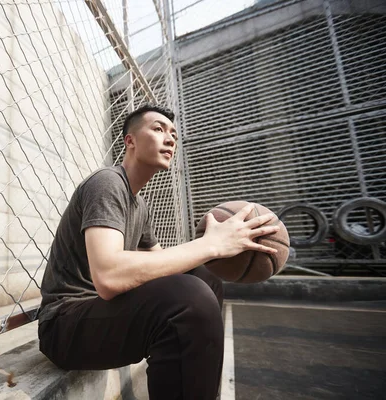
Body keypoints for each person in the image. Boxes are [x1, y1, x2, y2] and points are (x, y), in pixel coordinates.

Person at [37, 104, 279, 400]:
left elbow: (166, 266)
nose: (170, 139)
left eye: (174, 134)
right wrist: (208, 244)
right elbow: (109, 275)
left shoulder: (141, 205)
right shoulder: (107, 183)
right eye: (158, 129)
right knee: (188, 299)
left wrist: (216, 253)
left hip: (98, 313)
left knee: (204, 277)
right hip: (64, 325)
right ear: (130, 141)